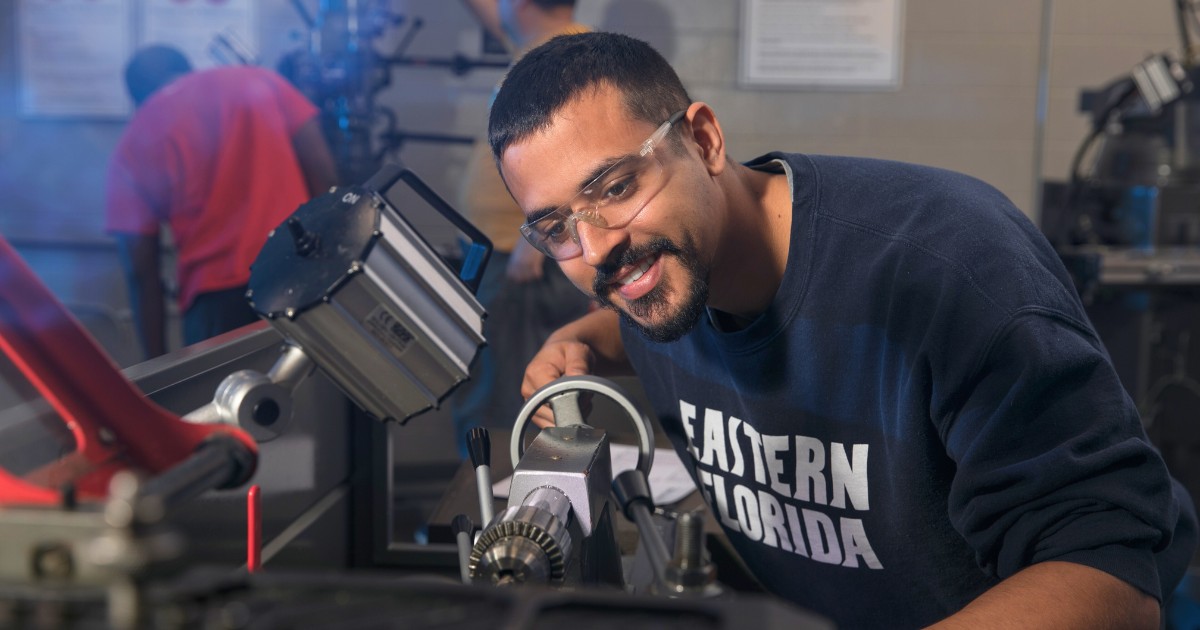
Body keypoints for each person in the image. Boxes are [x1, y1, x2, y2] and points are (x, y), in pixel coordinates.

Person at [489, 32, 1198, 628]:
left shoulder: (948, 268)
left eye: (614, 187)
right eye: (556, 227)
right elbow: (645, 312)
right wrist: (581, 342)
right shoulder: (664, 268)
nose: (598, 247)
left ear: (702, 140)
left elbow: (1114, 581)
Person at [106, 45, 337, 359]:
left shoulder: (136, 137)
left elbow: (140, 269)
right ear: (188, 67)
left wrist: (157, 369)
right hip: (298, 276)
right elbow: (323, 173)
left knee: (227, 403)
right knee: (318, 399)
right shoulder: (258, 81)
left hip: (214, 304)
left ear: (136, 98)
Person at [450, 0, 593, 452]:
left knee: (505, 400)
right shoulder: (538, 46)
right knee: (495, 388)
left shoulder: (565, 54)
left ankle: (501, 515)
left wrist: (543, 233)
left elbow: (584, 151)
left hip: (524, 260)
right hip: (505, 251)